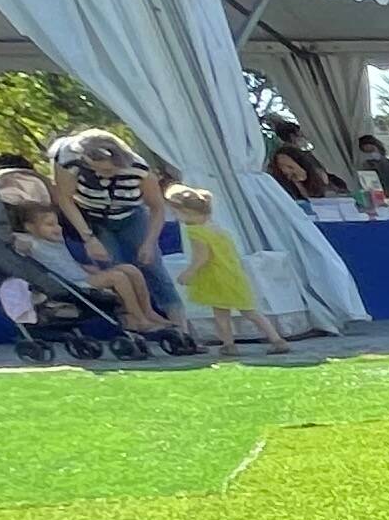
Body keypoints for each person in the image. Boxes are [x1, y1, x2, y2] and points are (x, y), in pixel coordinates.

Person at [46, 129, 185, 328]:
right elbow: (65, 199)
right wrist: (89, 238)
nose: (102, 175)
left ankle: (180, 326)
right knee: (114, 267)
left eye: (109, 171)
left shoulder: (138, 168)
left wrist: (149, 242)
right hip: (92, 217)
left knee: (154, 267)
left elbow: (157, 207)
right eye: (96, 170)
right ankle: (136, 321)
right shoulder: (68, 159)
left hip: (130, 215)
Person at [164, 183, 289, 357]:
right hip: (232, 273)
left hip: (215, 276)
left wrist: (189, 272)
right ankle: (274, 338)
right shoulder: (217, 228)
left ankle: (230, 344)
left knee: (221, 313)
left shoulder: (195, 232)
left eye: (176, 212)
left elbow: (202, 256)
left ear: (187, 212)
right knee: (249, 310)